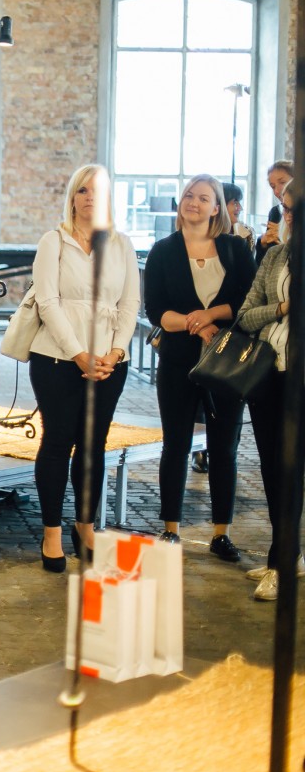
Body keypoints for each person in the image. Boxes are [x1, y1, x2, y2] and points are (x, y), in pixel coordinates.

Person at [29, 164, 140, 572]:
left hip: (109, 362)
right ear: (73, 198)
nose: (91, 197)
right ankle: (52, 533)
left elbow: (129, 304)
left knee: (93, 446)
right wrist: (78, 352)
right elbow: (47, 302)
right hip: (56, 359)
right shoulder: (53, 241)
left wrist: (117, 350)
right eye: (83, 190)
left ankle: (85, 526)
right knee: (58, 443)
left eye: (99, 191)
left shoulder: (122, 245)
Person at [144, 174, 255, 562]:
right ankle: (170, 529)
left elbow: (248, 300)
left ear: (216, 207)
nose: (194, 202)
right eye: (189, 195)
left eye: (204, 197)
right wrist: (197, 325)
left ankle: (221, 534)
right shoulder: (163, 250)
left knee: (224, 447)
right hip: (178, 359)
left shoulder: (235, 248)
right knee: (176, 444)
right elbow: (155, 310)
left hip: (227, 361)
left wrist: (210, 316)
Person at [238, 177, 305, 600]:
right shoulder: (276, 255)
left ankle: (284, 559)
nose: (288, 217)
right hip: (266, 373)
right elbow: (246, 315)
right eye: (285, 209)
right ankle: (285, 555)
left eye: (295, 210)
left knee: (291, 471)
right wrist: (281, 307)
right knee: (270, 467)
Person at [256, 159, 292, 267]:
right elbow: (264, 266)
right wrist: (263, 243)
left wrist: (284, 237)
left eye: (282, 182)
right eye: (273, 186)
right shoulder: (275, 212)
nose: (277, 191)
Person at [223, 182, 255, 253]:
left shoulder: (247, 233)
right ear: (221, 204)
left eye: (239, 203)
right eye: (235, 203)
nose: (240, 208)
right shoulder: (204, 233)